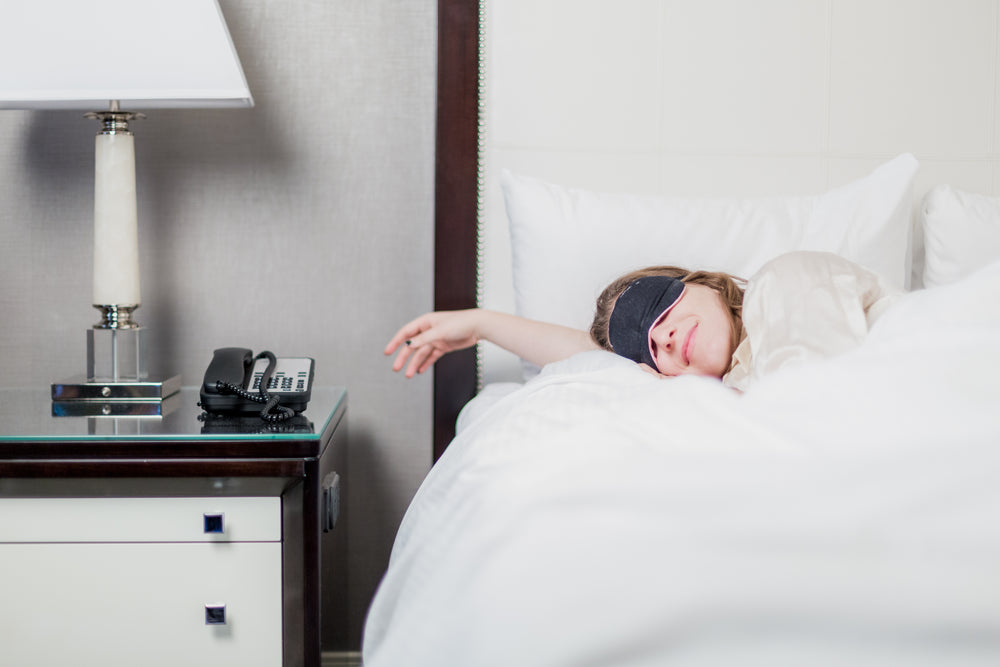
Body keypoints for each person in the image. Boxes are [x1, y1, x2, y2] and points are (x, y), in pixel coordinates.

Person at [385, 265, 747, 381]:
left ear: (706, 284)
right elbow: (594, 358)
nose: (663, 338)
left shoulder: (787, 287)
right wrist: (481, 324)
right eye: (648, 350)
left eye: (660, 304)